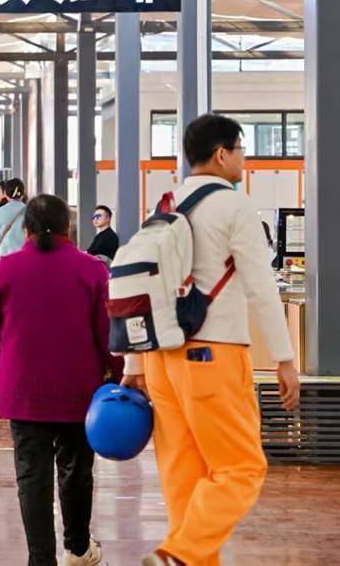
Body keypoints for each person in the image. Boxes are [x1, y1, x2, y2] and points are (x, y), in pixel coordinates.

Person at [123, 114, 300, 566]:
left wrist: (134, 363)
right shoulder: (235, 207)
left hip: (160, 359)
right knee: (242, 468)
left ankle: (180, 556)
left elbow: (141, 287)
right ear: (222, 154)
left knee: (183, 476)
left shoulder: (165, 205)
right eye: (241, 149)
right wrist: (284, 358)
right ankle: (179, 553)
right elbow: (262, 288)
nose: (244, 159)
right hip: (213, 355)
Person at [0, 195, 120, 566]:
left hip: (25, 392)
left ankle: (41, 560)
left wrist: (13, 324)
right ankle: (78, 548)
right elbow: (110, 337)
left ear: (26, 230)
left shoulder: (6, 268)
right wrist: (119, 377)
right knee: (77, 472)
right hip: (79, 393)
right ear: (69, 227)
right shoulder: (92, 270)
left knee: (32, 477)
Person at [0, 178, 28, 258]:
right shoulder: (31, 212)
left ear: (6, 194)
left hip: (4, 258)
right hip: (26, 258)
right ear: (22, 194)